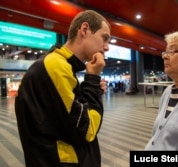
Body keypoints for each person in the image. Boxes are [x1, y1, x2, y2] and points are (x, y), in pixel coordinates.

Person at [14, 10, 111, 167]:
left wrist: (91, 88)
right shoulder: (56, 66)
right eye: (104, 38)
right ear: (84, 29)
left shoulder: (58, 65)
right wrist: (92, 82)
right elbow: (88, 131)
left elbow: (64, 121)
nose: (106, 47)